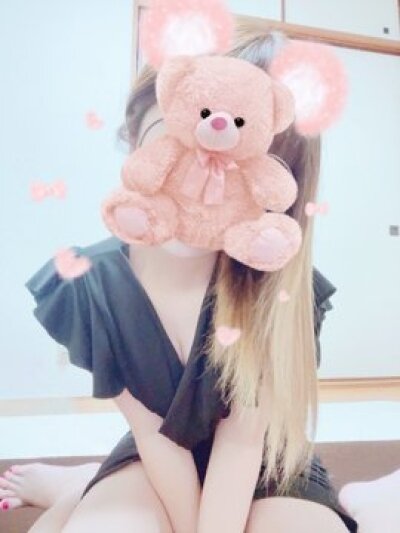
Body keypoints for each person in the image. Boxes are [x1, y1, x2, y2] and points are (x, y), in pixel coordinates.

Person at [0, 22, 362, 533]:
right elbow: (154, 435)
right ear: (136, 135)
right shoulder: (91, 284)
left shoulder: (276, 287)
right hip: (153, 454)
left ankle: (367, 498)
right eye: (176, 146)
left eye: (234, 174)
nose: (197, 187)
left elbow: (242, 445)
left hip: (266, 462)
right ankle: (83, 483)